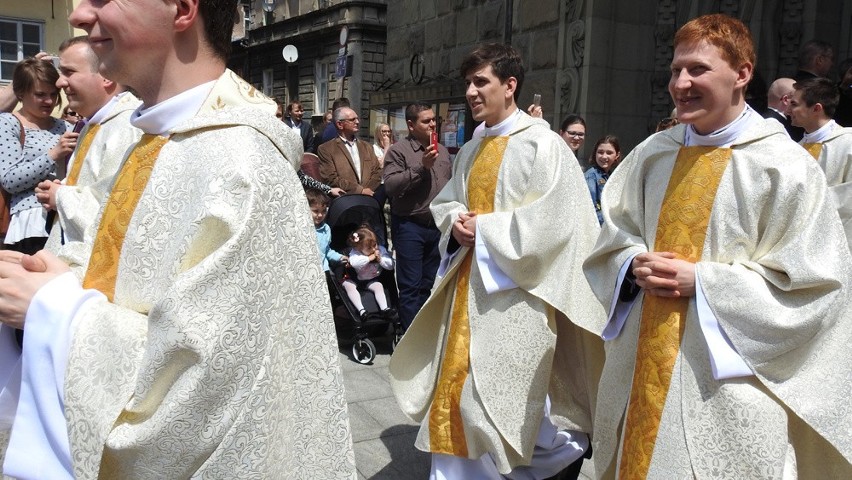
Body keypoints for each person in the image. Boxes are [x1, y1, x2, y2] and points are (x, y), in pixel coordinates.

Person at [0, 1, 355, 478]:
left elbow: (201, 389)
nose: (81, 15)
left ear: (183, 9)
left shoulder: (239, 162)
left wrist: (55, 309)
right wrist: (59, 270)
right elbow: (127, 269)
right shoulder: (156, 134)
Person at [583, 14, 852, 478]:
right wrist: (631, 263)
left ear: (742, 74)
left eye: (697, 70)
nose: (680, 83)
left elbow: (817, 288)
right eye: (675, 70)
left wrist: (704, 283)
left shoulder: (784, 167)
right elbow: (614, 235)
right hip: (641, 367)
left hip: (729, 384)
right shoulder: (654, 153)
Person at [389, 43, 604, 479]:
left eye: (480, 82)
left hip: (518, 295)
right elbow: (448, 203)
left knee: (513, 402)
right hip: (467, 289)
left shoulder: (545, 146)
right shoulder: (472, 148)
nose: (470, 92)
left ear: (510, 86)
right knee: (455, 396)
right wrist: (455, 224)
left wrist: (483, 230)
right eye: (467, 83)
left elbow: (555, 223)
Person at [33, 36, 142, 258]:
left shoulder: (128, 125)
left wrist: (61, 196)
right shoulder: (93, 124)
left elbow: (120, 213)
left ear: (106, 76)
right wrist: (61, 188)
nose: (59, 83)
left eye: (69, 72)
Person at [382, 102, 452, 330]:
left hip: (437, 226)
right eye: (426, 121)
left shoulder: (441, 150)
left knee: (429, 284)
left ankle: (423, 335)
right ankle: (408, 337)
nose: (432, 124)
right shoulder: (398, 151)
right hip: (410, 226)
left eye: (434, 119)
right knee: (410, 285)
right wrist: (422, 167)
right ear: (411, 125)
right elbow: (391, 186)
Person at [0, 57, 74, 254]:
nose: (49, 101)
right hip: (29, 221)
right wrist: (53, 155)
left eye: (53, 94)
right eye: (40, 94)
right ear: (20, 93)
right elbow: (10, 180)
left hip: (64, 217)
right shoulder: (8, 123)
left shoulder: (65, 126)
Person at [788, 76, 852, 247]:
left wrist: (805, 202)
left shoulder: (848, 143)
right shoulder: (796, 147)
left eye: (794, 104)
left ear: (816, 109)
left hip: (836, 242)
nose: (787, 110)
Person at [317, 106, 382, 195]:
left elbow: (377, 172)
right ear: (340, 124)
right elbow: (330, 178)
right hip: (344, 200)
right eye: (352, 120)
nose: (357, 122)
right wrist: (360, 191)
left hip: (369, 199)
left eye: (357, 119)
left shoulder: (367, 147)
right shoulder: (326, 149)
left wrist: (368, 190)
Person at [341, 224, 395, 320]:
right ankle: (361, 310)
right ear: (359, 249)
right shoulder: (355, 253)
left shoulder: (380, 250)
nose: (374, 249)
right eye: (369, 248)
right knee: (348, 286)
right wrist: (369, 258)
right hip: (355, 278)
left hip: (370, 279)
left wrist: (380, 260)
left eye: (375, 245)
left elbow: (390, 266)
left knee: (379, 286)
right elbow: (354, 263)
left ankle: (385, 309)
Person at [307, 187, 347, 272]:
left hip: (323, 269)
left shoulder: (326, 229)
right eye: (316, 211)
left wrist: (340, 257)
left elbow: (326, 250)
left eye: (323, 211)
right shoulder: (302, 229)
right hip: (307, 270)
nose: (320, 215)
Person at [583, 135, 620, 225]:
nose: (604, 157)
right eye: (600, 152)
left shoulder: (611, 176)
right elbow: (591, 208)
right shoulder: (591, 176)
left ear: (617, 155)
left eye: (609, 153)